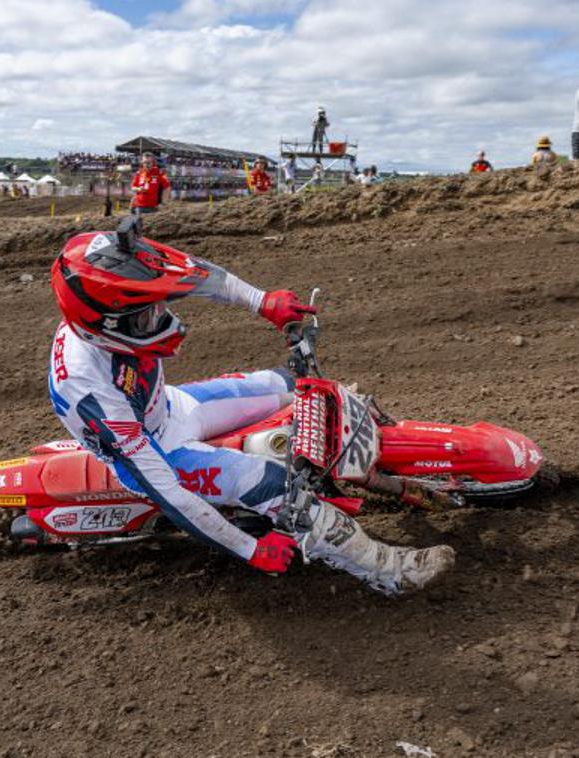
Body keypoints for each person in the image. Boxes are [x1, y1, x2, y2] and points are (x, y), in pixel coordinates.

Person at [48, 217, 456, 594]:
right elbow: (169, 493)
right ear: (106, 326)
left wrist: (264, 302)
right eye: (146, 318)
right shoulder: (90, 391)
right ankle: (387, 572)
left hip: (171, 407)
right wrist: (251, 550)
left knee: (293, 383)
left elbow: (199, 275)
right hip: (158, 454)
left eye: (159, 306)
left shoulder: (115, 289)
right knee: (277, 488)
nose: (162, 318)